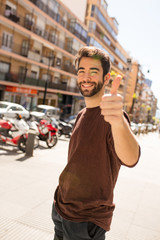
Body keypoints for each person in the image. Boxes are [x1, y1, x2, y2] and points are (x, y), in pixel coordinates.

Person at [52, 46, 140, 240]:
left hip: (86, 220)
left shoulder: (112, 117)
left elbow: (132, 158)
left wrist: (118, 121)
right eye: (82, 71)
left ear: (106, 78)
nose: (86, 77)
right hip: (61, 208)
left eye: (94, 72)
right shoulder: (82, 114)